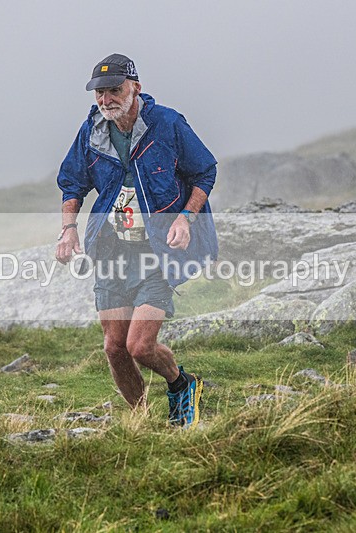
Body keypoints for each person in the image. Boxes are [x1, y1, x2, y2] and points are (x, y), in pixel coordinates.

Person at [55, 53, 218, 428]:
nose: (105, 99)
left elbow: (205, 172)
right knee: (114, 348)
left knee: (139, 346)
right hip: (113, 250)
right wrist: (68, 230)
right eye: (100, 92)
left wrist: (185, 219)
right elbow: (72, 183)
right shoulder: (92, 130)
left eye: (114, 90)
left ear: (135, 89)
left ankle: (181, 385)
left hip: (157, 253)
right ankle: (140, 421)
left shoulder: (168, 124)